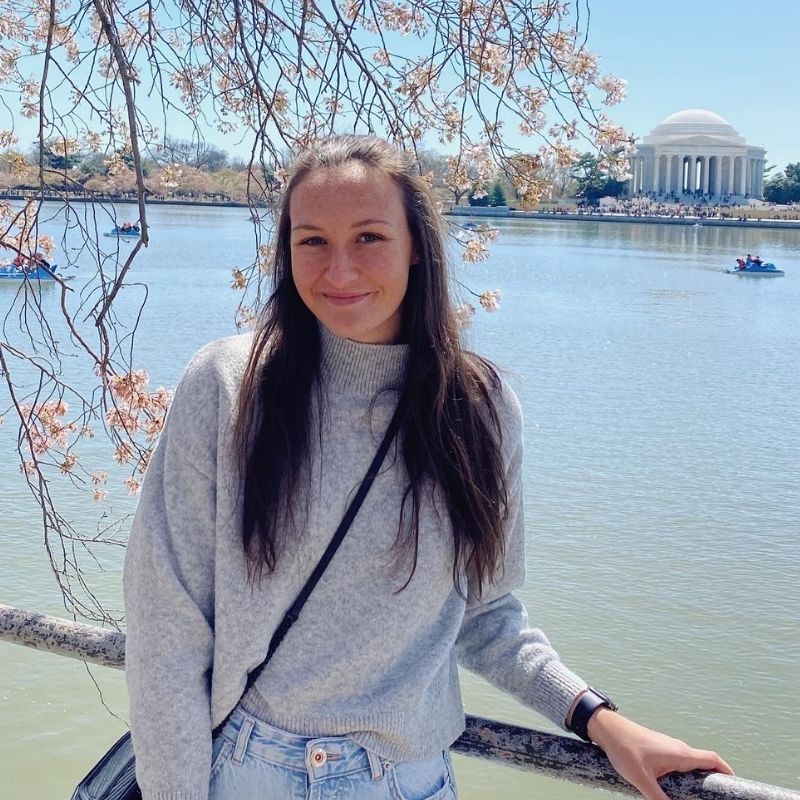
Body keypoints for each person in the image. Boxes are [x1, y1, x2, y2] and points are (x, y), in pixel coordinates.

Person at [124, 136, 733, 800]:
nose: (340, 270)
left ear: (416, 245)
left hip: (405, 778)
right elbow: (166, 625)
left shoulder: (480, 409)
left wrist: (599, 719)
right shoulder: (228, 385)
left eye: (368, 238)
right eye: (313, 242)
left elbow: (483, 609)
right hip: (248, 770)